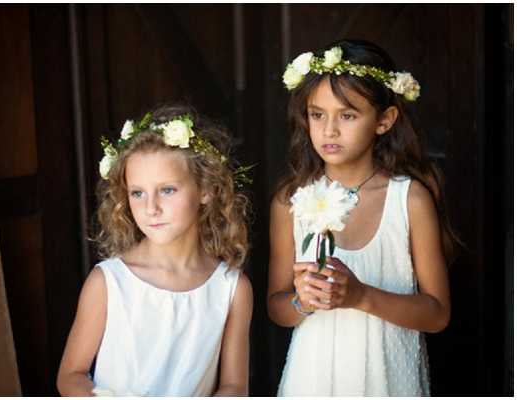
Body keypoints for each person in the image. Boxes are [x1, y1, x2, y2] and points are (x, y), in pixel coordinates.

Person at [268, 39, 457, 396]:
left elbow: (437, 314)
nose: (329, 130)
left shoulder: (409, 200)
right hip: (313, 379)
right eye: (317, 114)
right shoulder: (290, 201)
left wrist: (360, 296)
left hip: (388, 381)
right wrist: (301, 302)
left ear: (384, 120)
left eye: (348, 115)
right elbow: (277, 307)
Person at [57, 105, 253, 396]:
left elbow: (234, 386)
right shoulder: (109, 282)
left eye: (167, 190)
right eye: (138, 193)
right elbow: (70, 376)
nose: (151, 208)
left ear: (206, 189)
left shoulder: (230, 288)